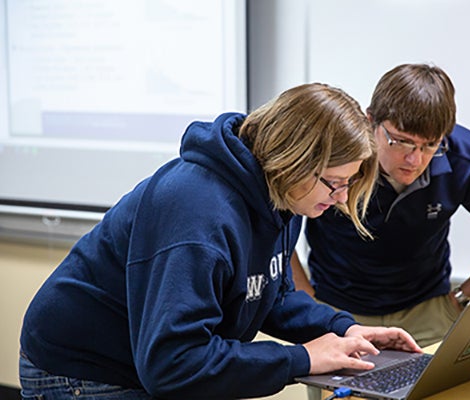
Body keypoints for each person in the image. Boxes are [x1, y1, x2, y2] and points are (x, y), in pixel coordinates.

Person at [19, 83, 422, 400]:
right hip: (83, 369)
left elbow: (270, 293)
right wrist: (301, 358)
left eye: (348, 184)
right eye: (334, 183)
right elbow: (172, 363)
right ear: (294, 160)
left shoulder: (283, 197)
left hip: (149, 363)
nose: (339, 198)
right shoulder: (197, 211)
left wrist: (344, 330)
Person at [292, 64, 470, 348]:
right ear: (370, 120)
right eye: (401, 142)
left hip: (427, 311)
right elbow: (276, 218)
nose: (415, 160)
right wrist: (306, 300)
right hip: (337, 309)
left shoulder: (467, 158)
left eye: (429, 145)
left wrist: (460, 299)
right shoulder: (336, 151)